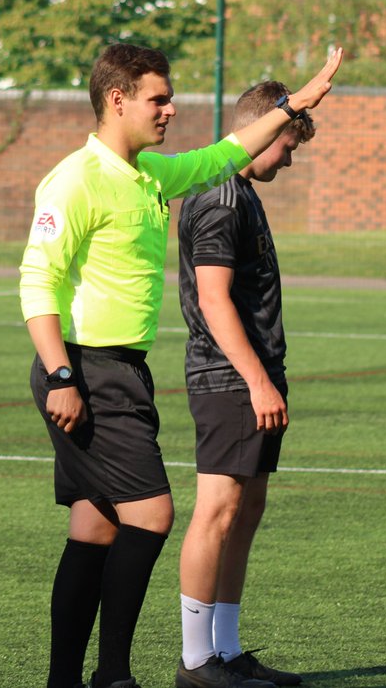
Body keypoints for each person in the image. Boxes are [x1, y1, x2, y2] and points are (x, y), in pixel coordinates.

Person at [21, 45, 342, 688]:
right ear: (118, 99)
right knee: (154, 513)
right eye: (157, 98)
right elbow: (38, 281)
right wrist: (60, 376)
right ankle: (115, 675)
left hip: (123, 369)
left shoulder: (149, 175)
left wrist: (291, 107)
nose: (170, 109)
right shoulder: (75, 178)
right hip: (84, 371)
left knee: (94, 523)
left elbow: (225, 154)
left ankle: (68, 680)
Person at [174, 81, 316, 688]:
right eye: (287, 143)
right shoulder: (220, 196)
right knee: (218, 509)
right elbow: (213, 299)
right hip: (228, 377)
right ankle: (196, 660)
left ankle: (226, 651)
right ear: (262, 130)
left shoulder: (244, 192)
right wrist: (257, 381)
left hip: (256, 376)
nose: (289, 157)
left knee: (247, 508)